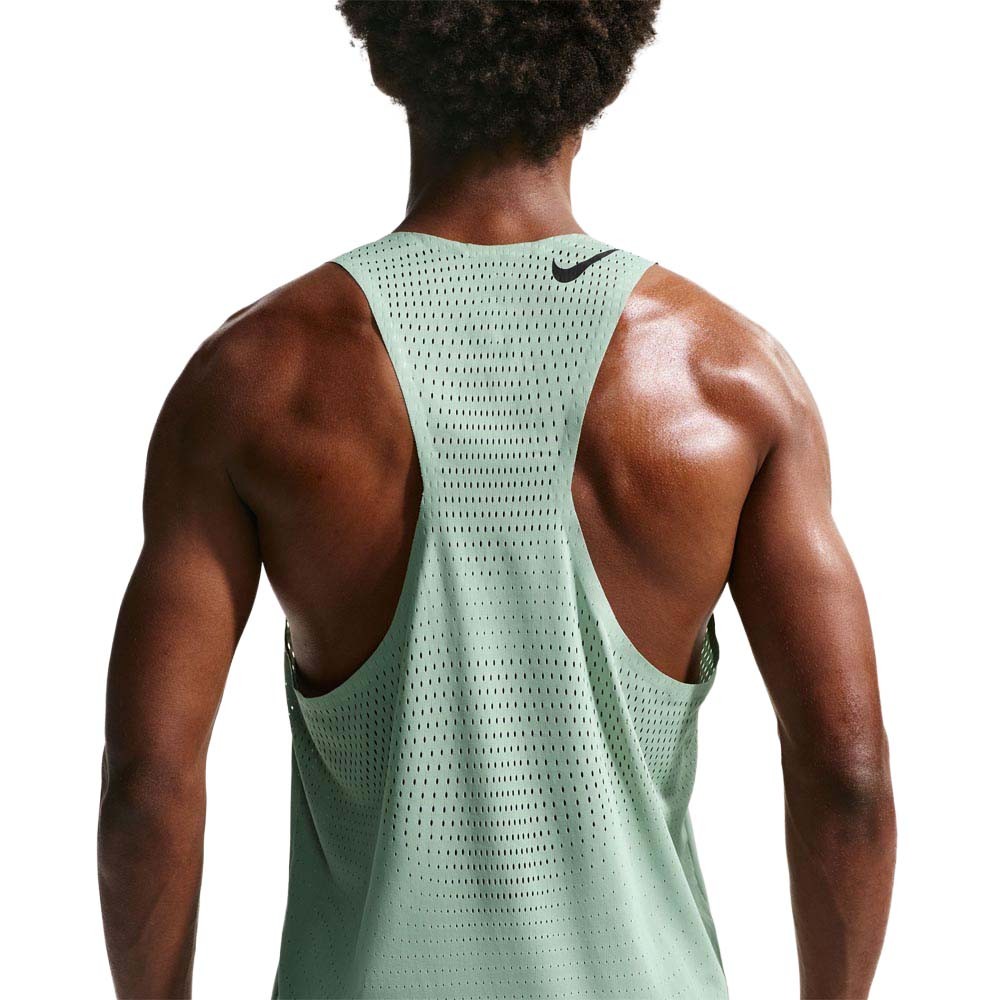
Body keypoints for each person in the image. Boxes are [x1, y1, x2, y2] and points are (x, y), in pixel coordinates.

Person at [98, 3, 895, 998]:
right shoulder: (730, 382)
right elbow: (847, 776)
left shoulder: (253, 378)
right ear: (603, 69)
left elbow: (147, 785)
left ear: (387, 54)